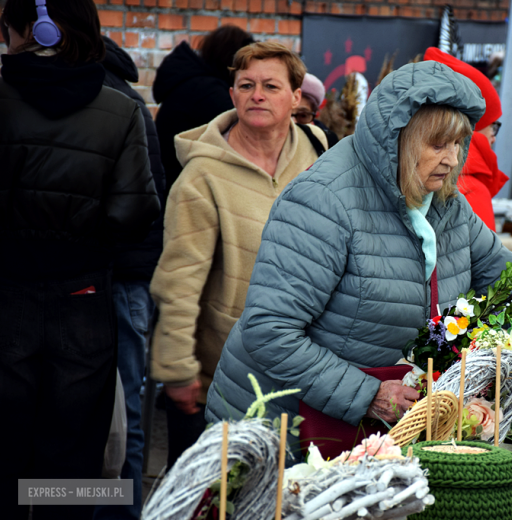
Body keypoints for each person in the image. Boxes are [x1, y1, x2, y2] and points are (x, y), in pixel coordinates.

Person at [204, 60, 512, 458]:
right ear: (399, 139)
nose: (452, 160)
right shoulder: (323, 201)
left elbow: (510, 289)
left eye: (458, 144)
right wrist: (366, 393)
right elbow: (269, 329)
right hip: (282, 428)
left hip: (370, 430)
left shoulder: (446, 205)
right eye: (437, 145)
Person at [0, 1, 160, 519]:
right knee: (78, 460)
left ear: (31, 29)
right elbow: (136, 215)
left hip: (7, 294)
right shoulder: (121, 107)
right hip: (85, 297)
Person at [150, 41, 328, 469]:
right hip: (224, 378)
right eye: (245, 85)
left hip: (307, 369)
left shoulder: (320, 153)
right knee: (214, 498)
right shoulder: (202, 176)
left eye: (270, 85)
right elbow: (178, 281)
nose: (257, 95)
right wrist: (177, 369)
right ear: (231, 95)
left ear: (296, 97)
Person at [94, 35, 166, 520]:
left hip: (116, 278)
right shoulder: (128, 97)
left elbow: (146, 200)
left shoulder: (111, 100)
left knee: (121, 419)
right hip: (125, 277)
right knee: (126, 415)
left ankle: (116, 513)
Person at [153, 25, 254, 193]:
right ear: (232, 58)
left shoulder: (193, 83)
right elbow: (244, 134)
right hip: (184, 187)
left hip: (173, 182)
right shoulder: (208, 91)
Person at [424, 47, 508, 231]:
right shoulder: (472, 190)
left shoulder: (412, 175)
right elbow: (482, 259)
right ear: (472, 128)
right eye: (492, 126)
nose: (493, 138)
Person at [296, 72, 339, 148]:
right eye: (287, 115)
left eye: (302, 116)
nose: (293, 122)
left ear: (315, 114)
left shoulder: (327, 142)